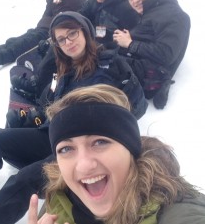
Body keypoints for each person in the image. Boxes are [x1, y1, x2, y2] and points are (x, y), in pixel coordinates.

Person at [0, 11, 147, 224]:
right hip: (53, 137)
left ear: (85, 31)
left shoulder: (110, 64)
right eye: (62, 39)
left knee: (25, 180)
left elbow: (137, 106)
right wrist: (33, 114)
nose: (69, 42)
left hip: (85, 151)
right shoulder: (65, 70)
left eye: (73, 33)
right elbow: (48, 99)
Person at [27, 84, 205, 224]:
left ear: (130, 148)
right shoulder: (60, 200)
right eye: (66, 149)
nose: (83, 165)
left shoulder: (177, 210)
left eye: (100, 142)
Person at [13, 0, 139, 98]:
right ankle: (40, 84)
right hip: (90, 37)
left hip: (105, 50)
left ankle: (51, 91)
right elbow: (82, 13)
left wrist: (89, 29)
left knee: (67, 64)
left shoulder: (125, 7)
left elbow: (126, 36)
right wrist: (63, 28)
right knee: (57, 50)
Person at [113, 0, 190, 109]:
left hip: (147, 72)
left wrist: (130, 44)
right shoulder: (151, 11)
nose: (135, 0)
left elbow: (166, 54)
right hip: (131, 60)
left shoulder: (174, 14)